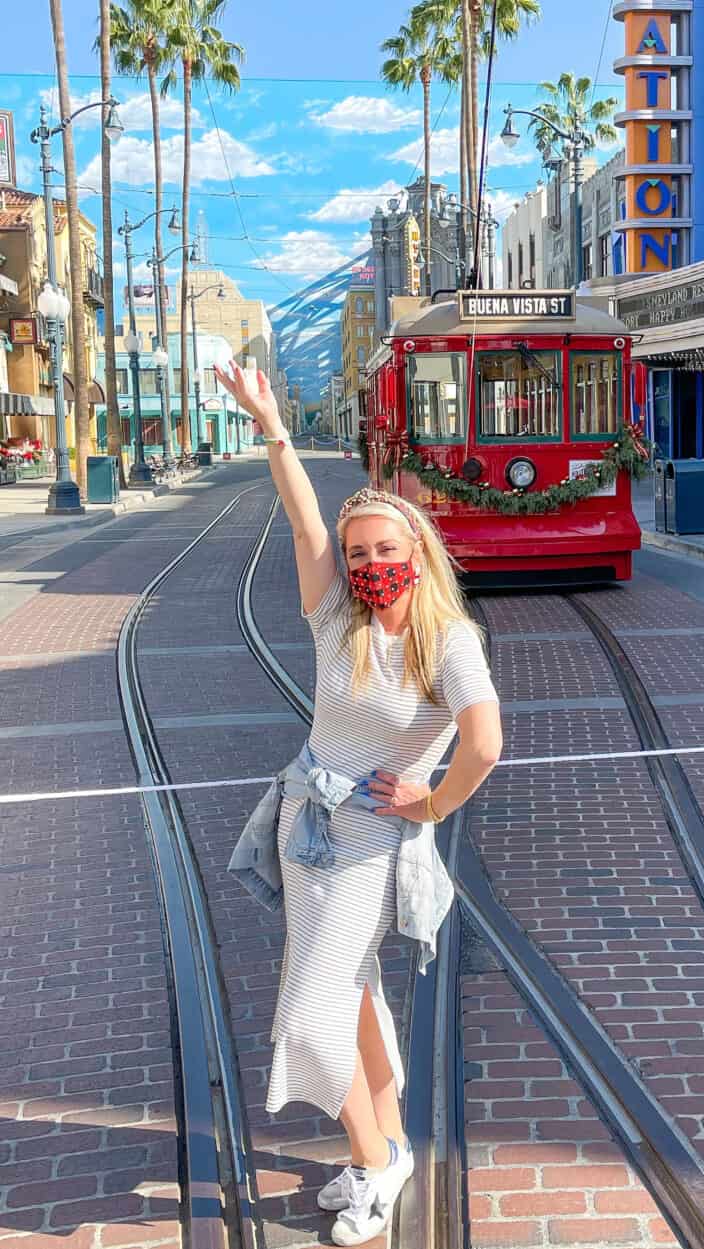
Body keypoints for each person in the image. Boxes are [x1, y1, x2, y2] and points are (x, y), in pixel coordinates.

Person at [214, 360, 503, 1245]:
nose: (370, 562)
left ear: (416, 551)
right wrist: (271, 427)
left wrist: (431, 801)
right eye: (359, 551)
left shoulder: (446, 637)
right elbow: (304, 518)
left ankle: (374, 1165)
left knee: (311, 1007)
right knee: (350, 986)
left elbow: (485, 741)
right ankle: (388, 1150)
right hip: (308, 828)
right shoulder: (335, 616)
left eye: (386, 548)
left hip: (375, 839)